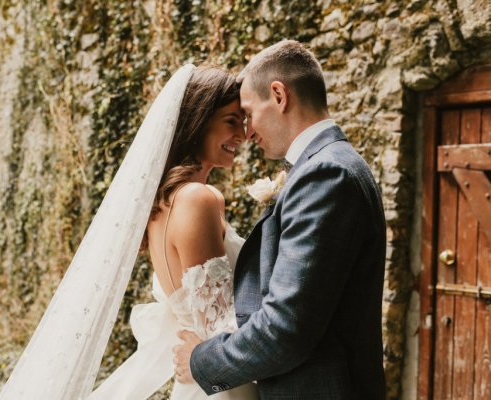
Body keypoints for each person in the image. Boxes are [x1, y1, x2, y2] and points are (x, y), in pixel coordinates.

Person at [174, 40, 387, 399]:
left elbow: (286, 327)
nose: (247, 133)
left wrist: (200, 360)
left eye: (249, 113)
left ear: (278, 95)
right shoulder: (327, 166)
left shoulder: (327, 174)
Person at [84, 65, 259, 399]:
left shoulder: (160, 204)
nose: (243, 134)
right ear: (199, 122)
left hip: (197, 379)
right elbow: (219, 322)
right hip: (223, 382)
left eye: (244, 121)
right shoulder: (198, 199)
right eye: (231, 121)